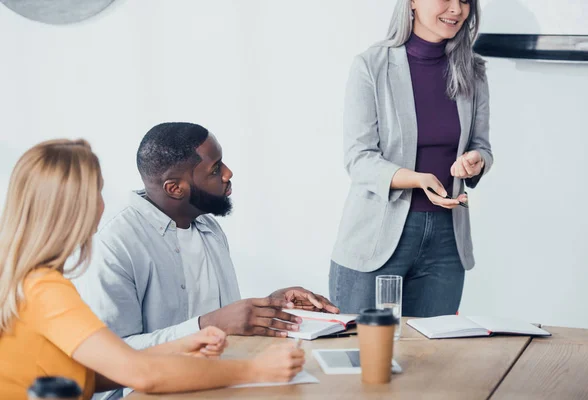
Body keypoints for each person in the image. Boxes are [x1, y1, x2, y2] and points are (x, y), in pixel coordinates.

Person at [0, 139, 305, 399]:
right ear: (75, 207)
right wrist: (256, 369)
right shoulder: (45, 290)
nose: (102, 205)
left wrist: (183, 345)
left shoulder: (31, 281)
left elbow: (94, 373)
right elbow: (141, 374)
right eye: (98, 192)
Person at [73, 123, 337, 397]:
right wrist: (208, 325)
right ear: (175, 188)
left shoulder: (208, 227)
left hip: (217, 380)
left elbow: (221, 320)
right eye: (215, 169)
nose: (228, 173)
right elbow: (110, 359)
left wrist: (271, 306)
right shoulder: (114, 244)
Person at [330, 0, 493, 316]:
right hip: (376, 237)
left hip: (447, 241)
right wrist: (417, 179)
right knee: (364, 357)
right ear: (413, 2)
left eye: (464, 1)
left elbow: (481, 146)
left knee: (432, 360)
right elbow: (359, 158)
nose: (457, 9)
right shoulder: (371, 65)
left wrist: (476, 161)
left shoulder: (473, 70)